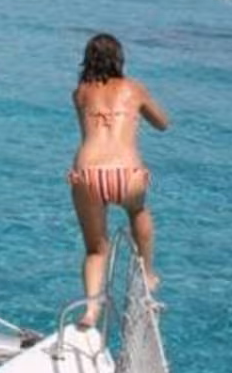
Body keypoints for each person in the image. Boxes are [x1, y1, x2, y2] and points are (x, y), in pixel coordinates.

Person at [68, 33, 170, 329]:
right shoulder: (134, 89)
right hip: (127, 174)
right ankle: (148, 274)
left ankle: (90, 311)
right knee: (137, 212)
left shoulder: (80, 93)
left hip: (88, 174)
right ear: (119, 59)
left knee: (96, 250)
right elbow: (163, 124)